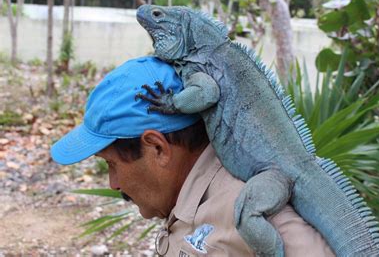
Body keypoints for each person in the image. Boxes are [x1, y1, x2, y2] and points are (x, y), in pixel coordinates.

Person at [51, 56, 335, 256]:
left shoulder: (252, 210)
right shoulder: (186, 200)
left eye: (111, 163)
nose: (113, 183)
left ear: (157, 148)